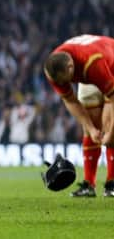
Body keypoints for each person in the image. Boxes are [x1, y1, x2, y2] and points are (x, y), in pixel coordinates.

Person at [44, 34, 114, 197]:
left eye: (65, 80)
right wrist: (90, 127)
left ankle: (111, 183)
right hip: (89, 74)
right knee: (91, 130)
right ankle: (89, 185)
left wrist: (110, 132)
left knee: (110, 127)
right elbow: (69, 100)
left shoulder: (92, 63)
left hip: (109, 64)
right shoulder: (52, 69)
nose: (63, 85)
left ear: (70, 68)